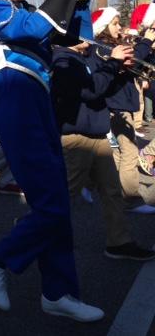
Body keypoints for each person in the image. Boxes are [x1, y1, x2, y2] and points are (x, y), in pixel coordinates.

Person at [0, 0, 104, 322]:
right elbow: (30, 29)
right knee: (51, 206)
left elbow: (71, 36)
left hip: (38, 104)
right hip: (16, 103)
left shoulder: (24, 7)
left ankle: (58, 292)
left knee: (57, 201)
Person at [51, 13, 155, 261]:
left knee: (111, 191)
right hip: (76, 138)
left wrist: (119, 69)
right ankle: (29, 231)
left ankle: (119, 242)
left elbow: (102, 84)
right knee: (64, 196)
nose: (88, 38)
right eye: (82, 32)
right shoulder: (63, 59)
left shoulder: (84, 56)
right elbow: (91, 90)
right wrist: (113, 64)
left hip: (96, 134)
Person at [92, 7, 155, 212]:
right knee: (129, 152)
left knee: (119, 153)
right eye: (115, 23)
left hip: (120, 104)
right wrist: (146, 41)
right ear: (102, 27)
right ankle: (130, 198)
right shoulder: (103, 47)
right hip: (116, 106)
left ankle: (116, 193)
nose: (120, 27)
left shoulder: (112, 45)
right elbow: (133, 58)